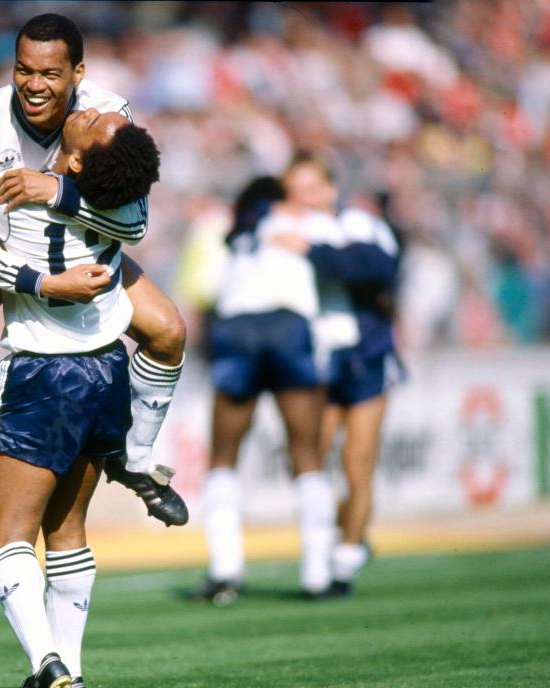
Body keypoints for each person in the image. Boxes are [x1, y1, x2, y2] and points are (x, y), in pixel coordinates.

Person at [0, 13, 187, 529]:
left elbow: (135, 220)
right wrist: (33, 275)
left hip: (69, 249)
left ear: (77, 73)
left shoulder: (109, 115)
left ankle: (137, 461)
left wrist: (54, 192)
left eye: (50, 74)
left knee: (168, 330)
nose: (34, 85)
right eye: (23, 70)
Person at [0, 96, 161, 687]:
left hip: (42, 373)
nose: (95, 107)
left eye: (98, 123)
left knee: (10, 535)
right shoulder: (113, 203)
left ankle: (46, 664)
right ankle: (71, 670)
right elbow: (135, 221)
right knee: (69, 532)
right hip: (106, 370)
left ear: (76, 163)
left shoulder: (20, 192)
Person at [194, 157, 352, 604]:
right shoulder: (309, 221)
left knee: (224, 453)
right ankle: (317, 574)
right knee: (306, 450)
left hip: (237, 326)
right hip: (287, 324)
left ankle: (225, 572)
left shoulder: (240, 234)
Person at [271, 190, 403, 595]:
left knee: (357, 463)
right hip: (317, 359)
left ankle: (345, 560)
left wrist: (313, 251)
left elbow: (379, 267)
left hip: (364, 355)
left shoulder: (358, 224)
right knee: (312, 457)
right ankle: (341, 536)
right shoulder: (281, 224)